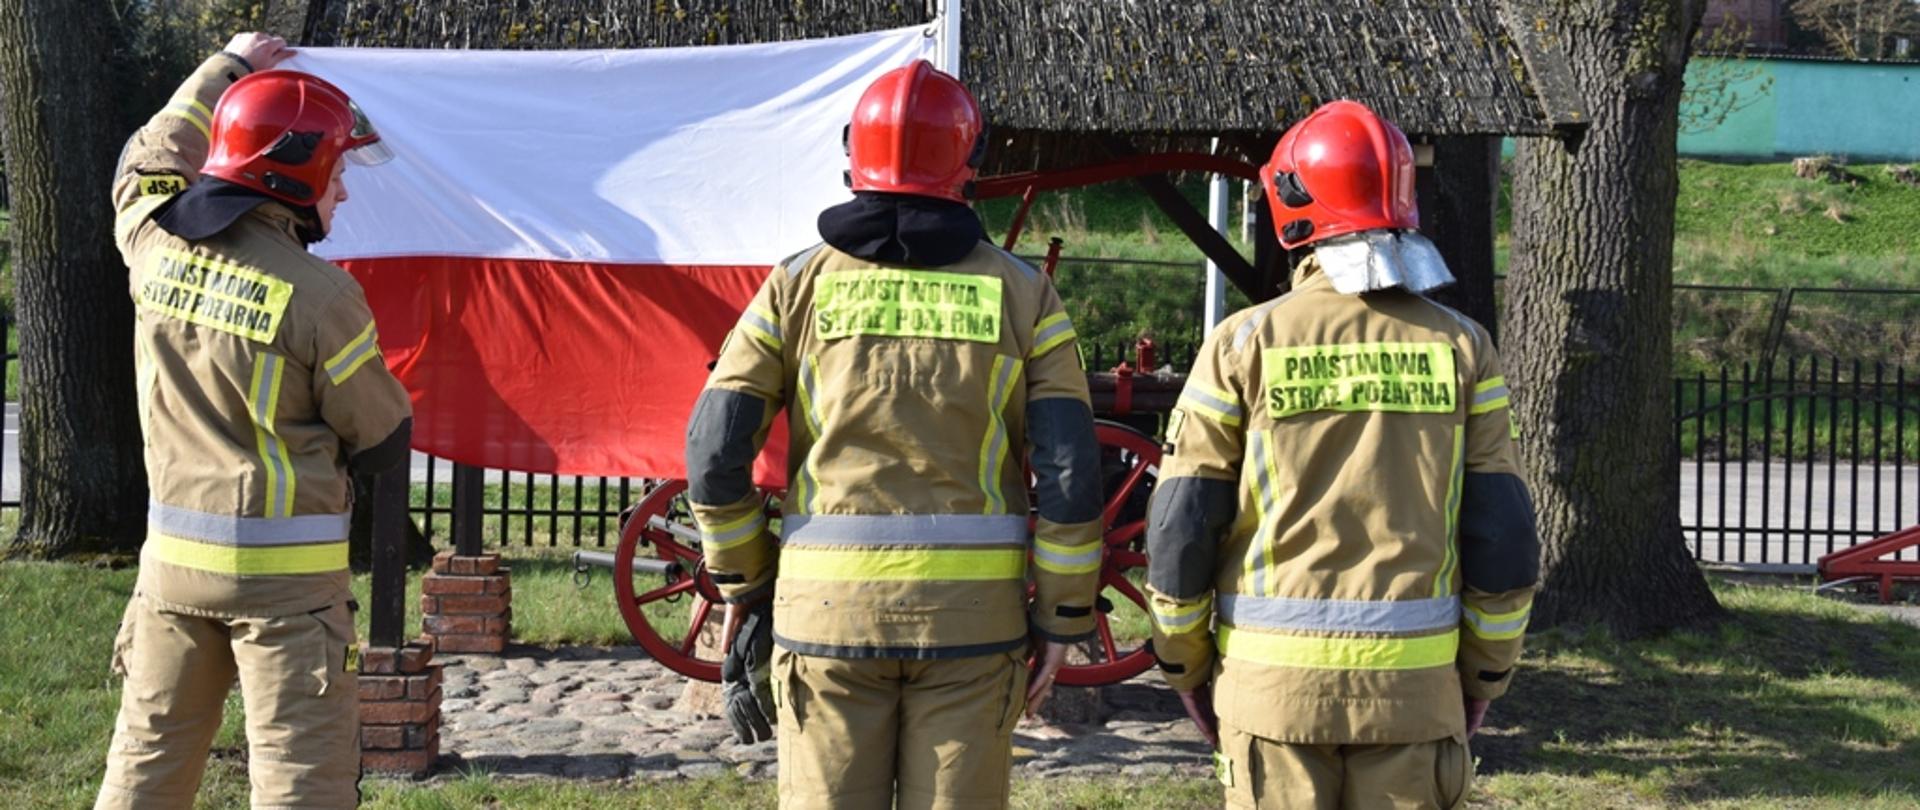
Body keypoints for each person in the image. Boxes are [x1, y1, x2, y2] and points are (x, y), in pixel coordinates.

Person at [685, 59, 1104, 810]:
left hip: (824, 622)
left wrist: (747, 582)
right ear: (969, 164)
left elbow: (715, 451)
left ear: (853, 158)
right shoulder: (1025, 294)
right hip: (973, 630)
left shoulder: (794, 286)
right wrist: (1061, 615)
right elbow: (1071, 475)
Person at [1144, 100, 1541, 809]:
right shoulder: (1463, 347)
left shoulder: (1242, 344)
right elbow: (1504, 534)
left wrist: (1184, 665)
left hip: (1271, 698)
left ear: (1291, 203)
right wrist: (1484, 678)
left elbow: (1181, 526)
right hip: (1415, 697)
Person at [96, 32, 413, 810]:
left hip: (171, 579)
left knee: (146, 770)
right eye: (337, 175)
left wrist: (228, 64)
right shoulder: (322, 297)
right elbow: (384, 439)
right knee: (300, 786)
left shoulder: (155, 241)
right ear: (296, 174)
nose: (341, 194)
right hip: (290, 602)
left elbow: (145, 159)